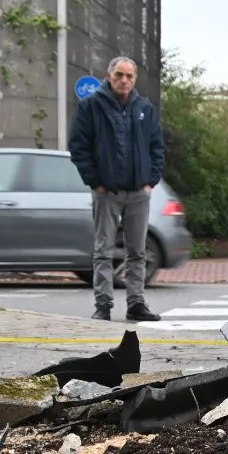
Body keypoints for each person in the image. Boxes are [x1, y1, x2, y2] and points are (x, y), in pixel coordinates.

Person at [69, 56, 165, 322]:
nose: (124, 80)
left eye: (129, 76)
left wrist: (151, 181)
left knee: (138, 251)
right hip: (106, 192)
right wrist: (95, 182)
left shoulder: (144, 108)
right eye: (119, 75)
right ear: (109, 76)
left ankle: (136, 303)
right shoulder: (91, 107)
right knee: (103, 251)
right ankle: (103, 305)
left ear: (134, 79)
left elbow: (157, 147)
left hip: (138, 193)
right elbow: (79, 147)